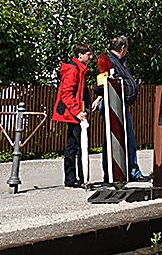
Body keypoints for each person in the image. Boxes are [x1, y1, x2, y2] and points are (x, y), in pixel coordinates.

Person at [102, 35, 143, 181]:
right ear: (123, 48)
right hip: (116, 105)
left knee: (119, 139)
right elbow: (102, 83)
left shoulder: (118, 61)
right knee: (120, 139)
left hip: (120, 104)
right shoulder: (110, 61)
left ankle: (121, 172)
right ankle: (121, 173)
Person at [52, 42, 93, 188]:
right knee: (82, 145)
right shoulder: (73, 70)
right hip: (74, 113)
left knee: (72, 145)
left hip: (74, 112)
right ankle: (83, 179)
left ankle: (70, 180)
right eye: (88, 54)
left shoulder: (77, 69)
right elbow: (67, 93)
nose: (91, 57)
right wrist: (78, 112)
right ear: (80, 55)